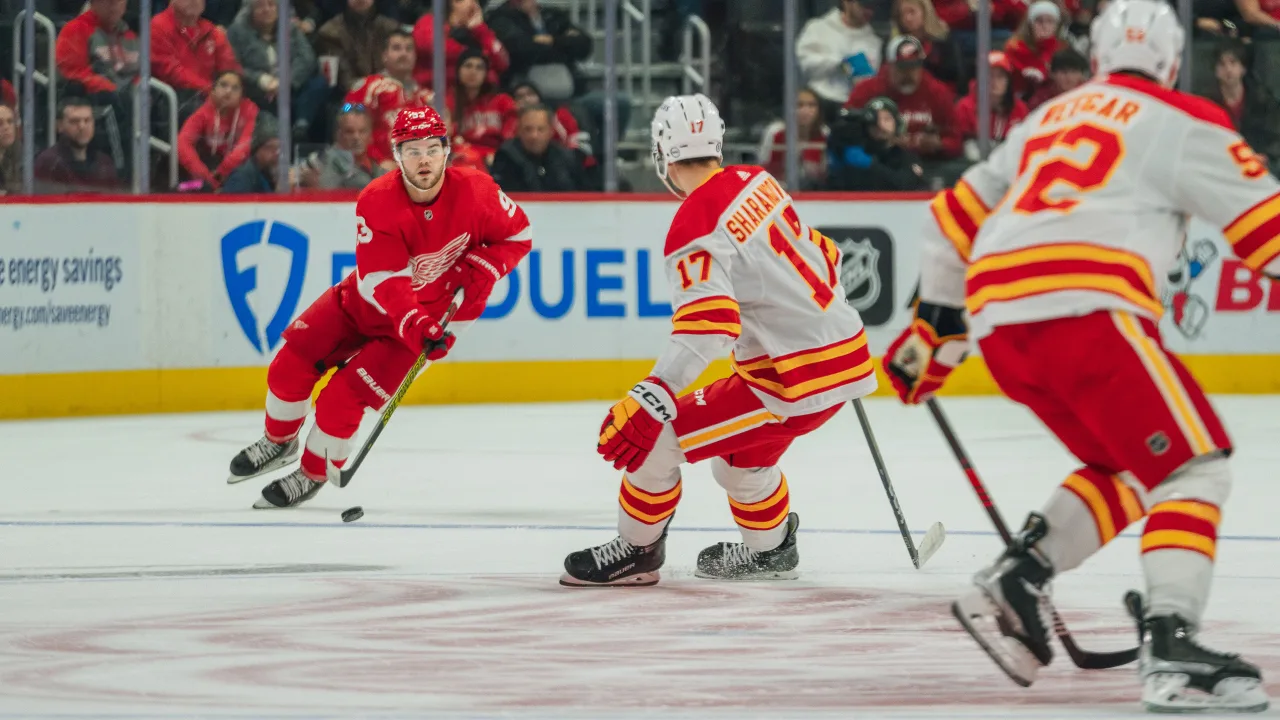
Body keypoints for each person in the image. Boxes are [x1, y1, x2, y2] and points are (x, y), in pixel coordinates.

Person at [884, 0, 1274, 712]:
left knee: (1128, 465)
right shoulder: (1184, 117)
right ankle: (1174, 645)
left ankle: (1019, 578)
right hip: (1088, 310)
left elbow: (950, 219)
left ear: (1093, 59)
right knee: (1195, 465)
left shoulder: (1042, 120)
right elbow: (1269, 231)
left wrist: (935, 334)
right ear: (1172, 60)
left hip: (1002, 323)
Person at [560, 94, 877, 586]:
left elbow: (710, 325)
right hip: (844, 358)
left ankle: (638, 552)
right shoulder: (759, 181)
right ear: (718, 143)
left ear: (662, 154)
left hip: (789, 381)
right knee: (738, 461)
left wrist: (655, 392)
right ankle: (771, 551)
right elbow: (827, 255)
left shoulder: (695, 221)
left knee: (654, 439)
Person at [226, 105, 532, 510]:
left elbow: (519, 234)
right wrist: (415, 321)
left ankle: (313, 473)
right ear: (396, 155)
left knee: (340, 402)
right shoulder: (377, 199)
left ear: (446, 151)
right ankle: (279, 441)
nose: (423, 160)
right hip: (362, 305)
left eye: (431, 149)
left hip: (422, 328)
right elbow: (384, 280)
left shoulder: (479, 191)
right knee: (288, 366)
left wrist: (488, 265)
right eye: (412, 150)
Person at [846, 35, 961, 160]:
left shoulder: (937, 92)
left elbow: (956, 141)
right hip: (878, 162)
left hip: (927, 163)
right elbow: (844, 132)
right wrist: (878, 140)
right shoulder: (867, 91)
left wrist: (939, 144)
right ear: (888, 66)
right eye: (902, 67)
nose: (908, 74)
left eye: (914, 67)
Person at [227, 0, 328, 139]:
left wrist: (286, 81)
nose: (266, 9)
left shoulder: (289, 27)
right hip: (259, 92)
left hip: (290, 86)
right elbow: (232, 65)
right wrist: (261, 80)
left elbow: (307, 58)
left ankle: (301, 124)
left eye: (271, 5)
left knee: (319, 83)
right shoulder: (237, 31)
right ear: (250, 9)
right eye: (260, 5)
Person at [347, 30, 436, 170]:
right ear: (384, 56)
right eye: (396, 48)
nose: (403, 54)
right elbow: (348, 125)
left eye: (408, 49)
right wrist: (378, 160)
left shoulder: (426, 96)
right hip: (374, 166)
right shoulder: (369, 87)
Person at [795, 0, 883, 120]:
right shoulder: (817, 28)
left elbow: (870, 81)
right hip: (816, 105)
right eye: (863, 5)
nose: (868, 11)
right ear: (846, 2)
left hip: (852, 108)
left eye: (872, 6)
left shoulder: (874, 42)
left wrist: (861, 78)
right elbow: (804, 65)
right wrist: (838, 63)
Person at [177, 71, 259, 191]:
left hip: (236, 177)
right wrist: (206, 177)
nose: (228, 91)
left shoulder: (250, 111)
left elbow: (245, 146)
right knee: (178, 189)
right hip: (205, 177)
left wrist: (222, 171)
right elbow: (182, 143)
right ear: (213, 90)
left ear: (242, 95)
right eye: (223, 85)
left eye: (235, 88)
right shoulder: (204, 111)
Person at [1203, 41, 1280, 168]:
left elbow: (1276, 136)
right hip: (1221, 165)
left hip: (1260, 164)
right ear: (1216, 71)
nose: (1228, 69)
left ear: (1243, 68)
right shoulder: (1207, 102)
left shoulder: (1263, 100)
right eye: (1222, 64)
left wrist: (1265, 156)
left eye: (1233, 63)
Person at [824, 97, 925, 191]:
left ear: (897, 124)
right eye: (874, 119)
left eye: (887, 119)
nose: (880, 124)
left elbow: (904, 184)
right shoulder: (856, 154)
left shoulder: (907, 158)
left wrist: (872, 165)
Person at [412, 0, 509, 90]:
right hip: (435, 93)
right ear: (455, 2)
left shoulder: (479, 30)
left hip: (475, 96)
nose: (476, 6)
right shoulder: (429, 21)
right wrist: (476, 55)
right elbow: (432, 47)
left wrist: (480, 29)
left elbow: (502, 62)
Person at [489, 105, 586, 192]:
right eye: (528, 129)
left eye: (541, 129)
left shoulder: (566, 157)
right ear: (518, 131)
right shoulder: (506, 156)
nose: (534, 136)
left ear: (551, 131)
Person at [313, 0, 402, 94]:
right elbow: (344, 80)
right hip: (348, 99)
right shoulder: (330, 32)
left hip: (390, 91)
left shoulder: (391, 28)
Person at [33, 97, 120, 193]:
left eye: (87, 120)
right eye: (74, 121)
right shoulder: (49, 163)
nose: (82, 127)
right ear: (59, 126)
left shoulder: (104, 163)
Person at [954, 51, 1028, 160]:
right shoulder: (964, 107)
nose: (994, 82)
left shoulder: (1020, 109)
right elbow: (957, 145)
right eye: (989, 76)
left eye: (1000, 76)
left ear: (1008, 81)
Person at [448, 48, 518, 163]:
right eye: (468, 66)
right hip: (462, 159)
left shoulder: (502, 102)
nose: (473, 72)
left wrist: (500, 155)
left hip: (496, 159)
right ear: (458, 71)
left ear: (486, 74)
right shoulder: (448, 101)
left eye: (479, 68)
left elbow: (511, 139)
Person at [757, 87, 830, 189]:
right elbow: (762, 166)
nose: (805, 110)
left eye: (811, 105)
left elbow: (825, 172)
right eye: (799, 105)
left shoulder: (825, 133)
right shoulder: (775, 132)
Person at [891, 0, 965, 93]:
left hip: (941, 95)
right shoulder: (897, 45)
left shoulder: (944, 42)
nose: (907, 18)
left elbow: (954, 75)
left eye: (912, 12)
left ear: (925, 12)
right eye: (902, 14)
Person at [316, 104, 388, 189]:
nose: (356, 137)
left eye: (362, 131)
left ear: (370, 136)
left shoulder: (377, 169)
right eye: (349, 132)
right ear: (338, 135)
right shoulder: (321, 162)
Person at [1005, 1, 1064, 100]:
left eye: (1050, 21)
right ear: (1030, 24)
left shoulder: (1062, 49)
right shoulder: (1015, 47)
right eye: (1039, 21)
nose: (1045, 26)